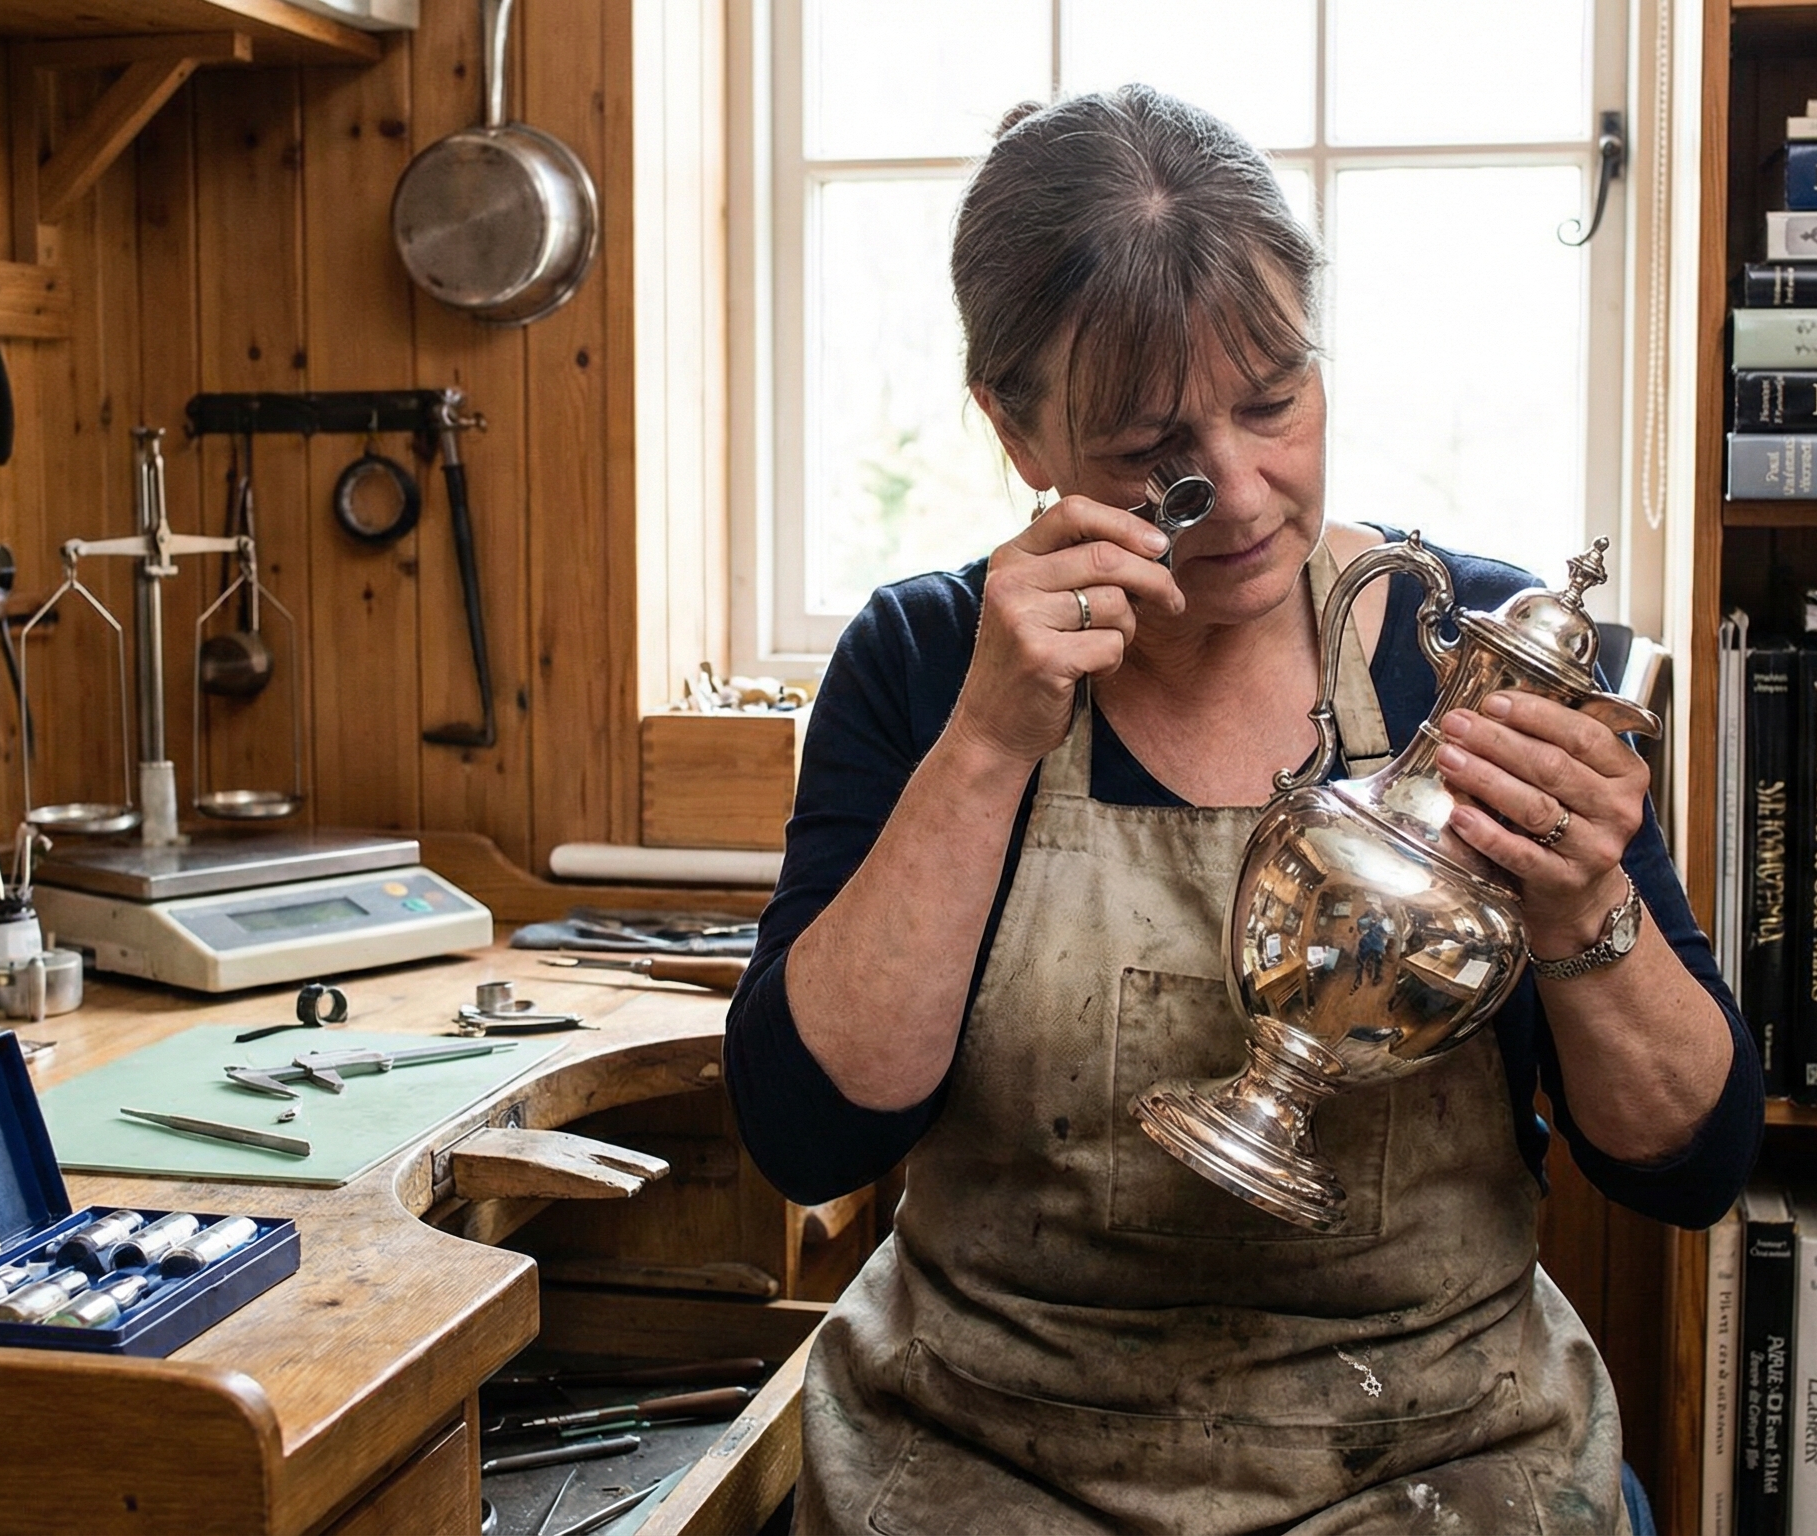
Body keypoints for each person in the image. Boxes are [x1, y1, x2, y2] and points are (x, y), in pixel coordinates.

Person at [725, 84, 1760, 1536]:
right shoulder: (922, 661)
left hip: (1430, 1461)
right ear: (1018, 433)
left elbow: (1692, 1169)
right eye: (1154, 449)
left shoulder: (1464, 656)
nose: (1242, 489)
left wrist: (1588, 904)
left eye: (1274, 402)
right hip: (985, 1456)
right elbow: (807, 1136)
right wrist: (987, 743)